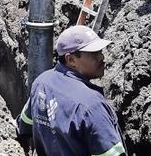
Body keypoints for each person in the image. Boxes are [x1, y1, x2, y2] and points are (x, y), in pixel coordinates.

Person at [17, 25, 126, 156]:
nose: (102, 57)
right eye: (94, 53)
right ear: (71, 60)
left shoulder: (41, 82)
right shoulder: (91, 106)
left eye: (100, 51)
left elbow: (24, 124)